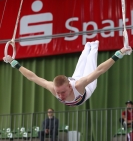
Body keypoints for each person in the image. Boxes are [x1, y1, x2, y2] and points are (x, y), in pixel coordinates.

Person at [3, 40, 132, 106]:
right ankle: (87, 46)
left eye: (62, 92)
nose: (60, 96)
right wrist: (14, 63)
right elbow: (33, 77)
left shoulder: (78, 85)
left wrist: (119, 53)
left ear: (69, 86)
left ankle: (94, 46)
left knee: (91, 66)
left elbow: (100, 70)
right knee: (82, 61)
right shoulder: (53, 88)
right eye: (58, 92)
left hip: (86, 88)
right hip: (77, 84)